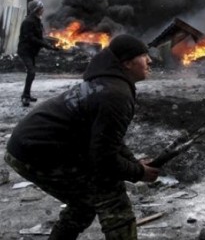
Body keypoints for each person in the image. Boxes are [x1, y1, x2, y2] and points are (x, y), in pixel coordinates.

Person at [4, 34, 160, 240]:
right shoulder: (115, 95)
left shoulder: (109, 85)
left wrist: (133, 163)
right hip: (35, 151)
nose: (150, 60)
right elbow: (104, 159)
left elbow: (108, 140)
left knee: (83, 204)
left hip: (28, 146)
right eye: (143, 56)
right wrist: (138, 172)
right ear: (127, 63)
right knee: (111, 196)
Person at [17, 0, 59, 107]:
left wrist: (52, 43)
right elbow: (31, 38)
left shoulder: (36, 21)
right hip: (25, 51)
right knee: (31, 72)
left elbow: (40, 37)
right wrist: (46, 45)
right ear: (37, 10)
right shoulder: (28, 22)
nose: (43, 10)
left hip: (31, 51)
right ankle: (25, 97)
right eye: (41, 8)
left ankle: (27, 95)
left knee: (31, 73)